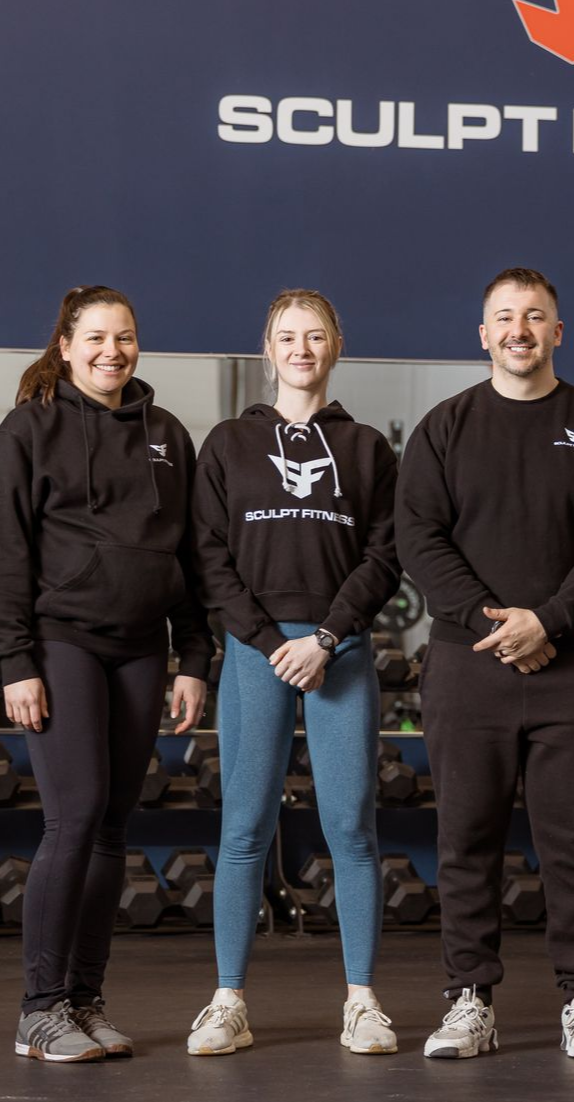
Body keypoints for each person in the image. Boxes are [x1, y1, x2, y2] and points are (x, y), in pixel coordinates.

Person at [396, 267, 574, 1060]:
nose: (519, 330)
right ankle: (469, 1000)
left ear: (557, 331)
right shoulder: (444, 426)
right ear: (482, 334)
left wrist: (550, 621)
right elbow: (418, 538)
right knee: (466, 838)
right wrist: (493, 623)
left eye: (534, 317)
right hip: (466, 664)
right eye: (504, 317)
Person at [0, 285, 213, 1063]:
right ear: (67, 345)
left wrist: (194, 657)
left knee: (113, 824)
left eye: (127, 337)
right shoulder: (29, 428)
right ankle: (38, 1009)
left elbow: (193, 557)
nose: (114, 350)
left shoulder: (168, 434)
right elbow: (0, 550)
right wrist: (15, 659)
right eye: (98, 337)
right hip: (59, 640)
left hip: (143, 645)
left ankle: (82, 996)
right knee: (72, 816)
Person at [185, 288, 401, 1057]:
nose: (301, 348)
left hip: (338, 649)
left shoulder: (370, 447)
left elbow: (385, 555)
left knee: (351, 828)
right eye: (287, 336)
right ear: (266, 348)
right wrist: (269, 639)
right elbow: (208, 555)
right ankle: (227, 1000)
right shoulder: (227, 445)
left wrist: (329, 634)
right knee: (243, 828)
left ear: (335, 344)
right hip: (255, 650)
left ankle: (362, 1001)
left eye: (315, 335)